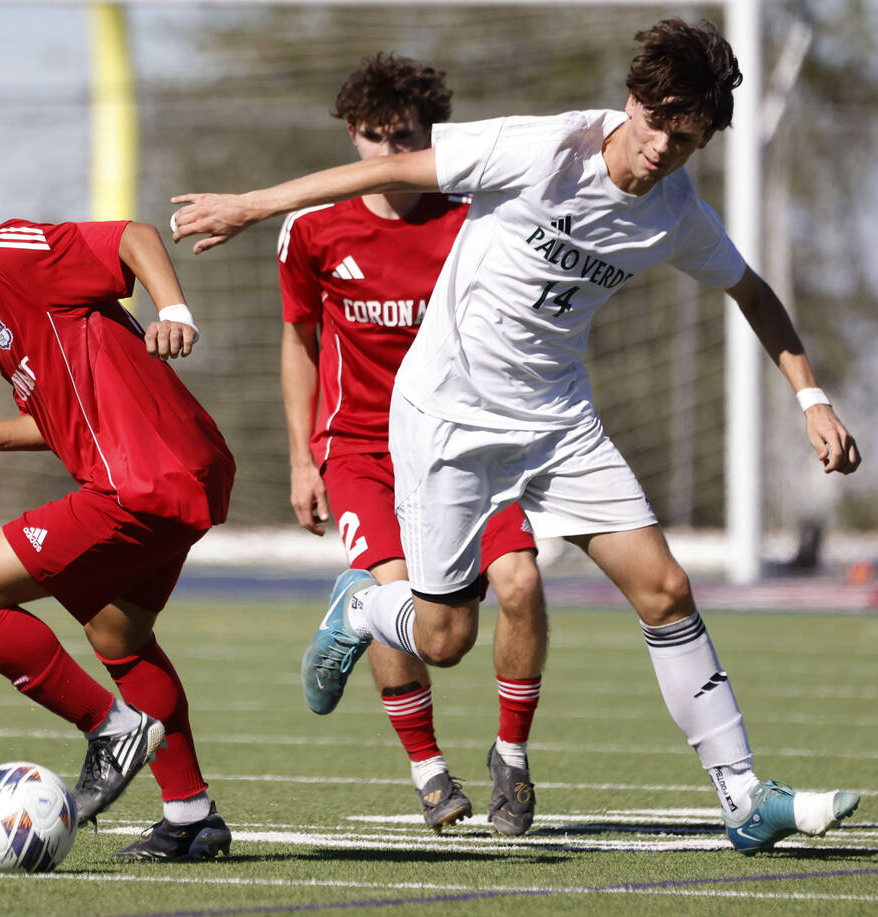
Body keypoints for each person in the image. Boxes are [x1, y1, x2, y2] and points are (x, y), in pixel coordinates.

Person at [170, 19, 865, 855]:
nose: (662, 154)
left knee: (666, 589)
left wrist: (811, 397)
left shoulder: (676, 212)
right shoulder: (542, 150)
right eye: (655, 129)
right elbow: (390, 167)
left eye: (686, 141)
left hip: (559, 424)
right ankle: (360, 606)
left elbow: (752, 291)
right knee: (443, 637)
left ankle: (745, 795)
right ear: (631, 104)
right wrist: (252, 204)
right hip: (447, 420)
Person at [0, 130, 234, 861]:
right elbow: (62, 420)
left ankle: (110, 728)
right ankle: (191, 817)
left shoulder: (3, 255)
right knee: (117, 635)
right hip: (181, 470)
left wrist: (174, 309)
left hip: (140, 481)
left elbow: (131, 236)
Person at [279, 54, 548, 835]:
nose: (387, 153)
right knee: (418, 608)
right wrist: (303, 458)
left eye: (404, 137)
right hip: (363, 450)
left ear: (434, 135)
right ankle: (430, 774)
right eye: (370, 137)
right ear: (350, 134)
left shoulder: (477, 213)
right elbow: (298, 340)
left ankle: (513, 759)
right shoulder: (313, 228)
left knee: (518, 587)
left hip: (470, 442)